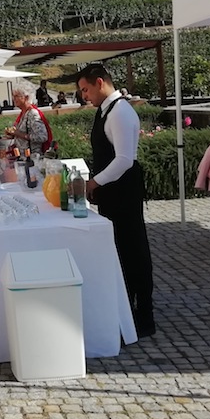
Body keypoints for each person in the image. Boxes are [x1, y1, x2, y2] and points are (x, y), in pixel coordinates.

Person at [77, 64, 155, 337]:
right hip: (112, 190)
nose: (84, 96)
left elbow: (124, 160)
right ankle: (126, 308)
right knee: (120, 248)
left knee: (133, 248)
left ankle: (144, 314)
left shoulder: (120, 111)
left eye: (86, 89)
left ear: (100, 82)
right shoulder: (105, 110)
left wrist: (94, 183)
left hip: (124, 189)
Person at [6, 82, 52, 158]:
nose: (14, 99)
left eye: (16, 96)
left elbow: (42, 137)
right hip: (23, 157)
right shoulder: (23, 113)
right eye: (13, 96)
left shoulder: (32, 114)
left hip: (33, 158)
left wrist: (19, 134)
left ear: (26, 97)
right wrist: (13, 134)